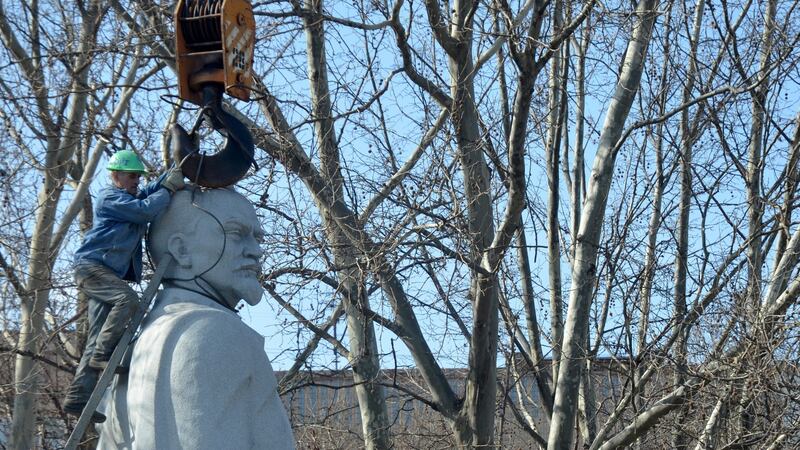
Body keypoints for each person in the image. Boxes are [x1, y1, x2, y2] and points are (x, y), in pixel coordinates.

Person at [96, 186, 295, 449]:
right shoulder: (216, 332)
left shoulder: (137, 345)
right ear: (181, 250)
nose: (256, 251)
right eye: (236, 233)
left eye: (257, 238)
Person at [63, 150, 185, 423]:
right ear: (116, 175)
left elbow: (152, 191)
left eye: (138, 177)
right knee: (126, 300)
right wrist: (167, 187)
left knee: (96, 338)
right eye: (131, 176)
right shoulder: (109, 198)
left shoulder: (129, 196)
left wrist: (179, 168)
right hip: (92, 268)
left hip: (105, 273)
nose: (136, 181)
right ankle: (104, 355)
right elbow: (145, 211)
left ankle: (77, 398)